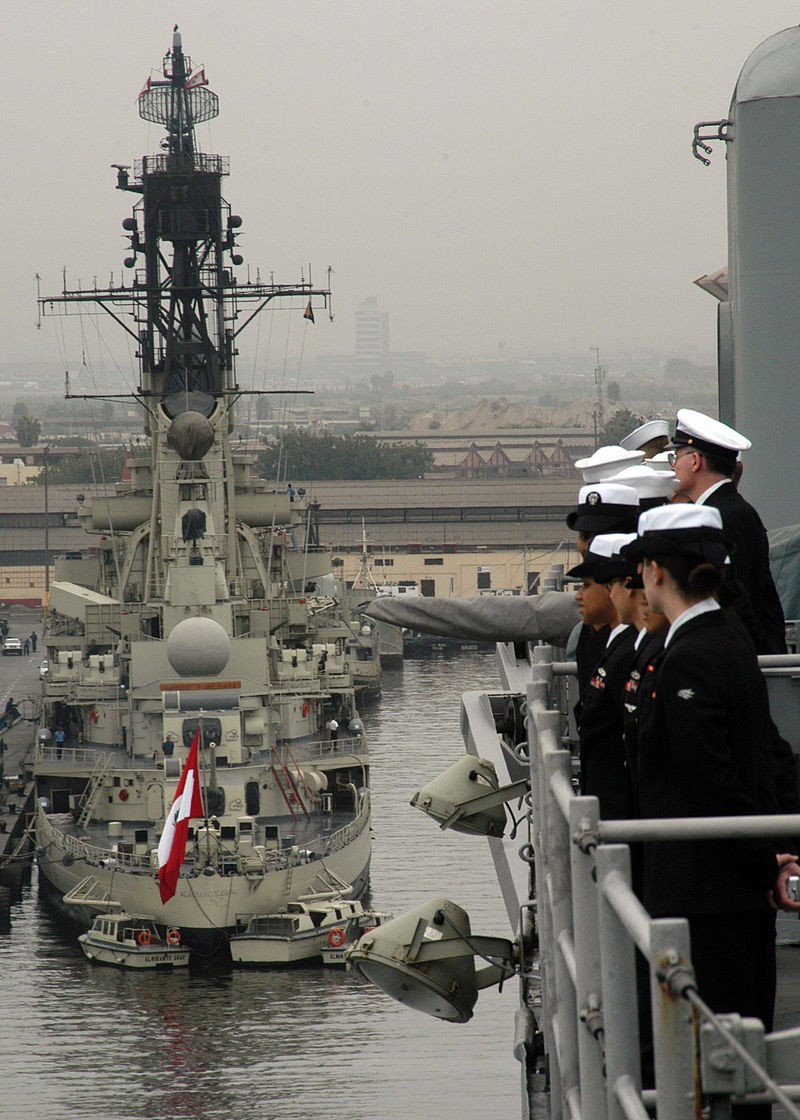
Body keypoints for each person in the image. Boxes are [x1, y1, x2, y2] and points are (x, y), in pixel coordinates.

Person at [622, 504, 800, 1114]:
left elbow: (712, 781)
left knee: (714, 1062)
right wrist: (775, 856)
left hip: (705, 893)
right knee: (742, 1058)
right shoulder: (726, 637)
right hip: (733, 886)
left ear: (653, 572)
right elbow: (765, 756)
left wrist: (763, 861)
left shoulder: (690, 656)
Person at [669, 408, 786, 653]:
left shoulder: (725, 515)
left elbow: (738, 598)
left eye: (676, 457)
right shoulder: (726, 508)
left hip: (740, 653)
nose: (673, 467)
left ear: (695, 460)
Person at [566, 535, 637, 818]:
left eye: (586, 586)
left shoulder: (628, 652)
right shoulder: (613, 645)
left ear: (615, 588)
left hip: (622, 816)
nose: (578, 595)